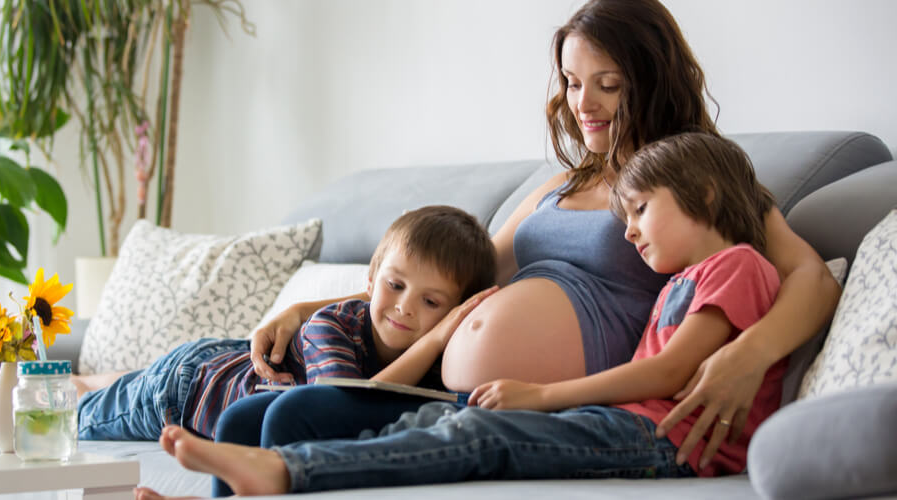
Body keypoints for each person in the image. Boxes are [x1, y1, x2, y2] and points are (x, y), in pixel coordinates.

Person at [240, 0, 840, 466]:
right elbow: (447, 287)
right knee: (253, 420)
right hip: (439, 381)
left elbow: (811, 278)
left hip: (525, 402)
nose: (585, 104)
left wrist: (747, 354)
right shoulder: (555, 186)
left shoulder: (694, 190)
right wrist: (310, 308)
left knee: (290, 421)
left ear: (652, 78)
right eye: (573, 83)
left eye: (608, 84)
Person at [137, 131, 789, 496]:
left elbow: (670, 371)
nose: (629, 232)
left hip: (661, 442)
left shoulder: (736, 266)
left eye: (641, 211)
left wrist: (541, 396)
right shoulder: (684, 276)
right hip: (619, 421)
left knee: (474, 437)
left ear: (704, 195)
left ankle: (286, 470)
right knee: (440, 420)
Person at [74, 205, 497, 441]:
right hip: (187, 391)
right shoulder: (327, 327)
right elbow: (340, 405)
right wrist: (437, 334)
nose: (405, 308)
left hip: (223, 362)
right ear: (370, 279)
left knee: (108, 381)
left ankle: (89, 379)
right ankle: (69, 384)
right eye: (395, 284)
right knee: (79, 417)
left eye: (431, 301)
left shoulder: (445, 362)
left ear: (457, 308)